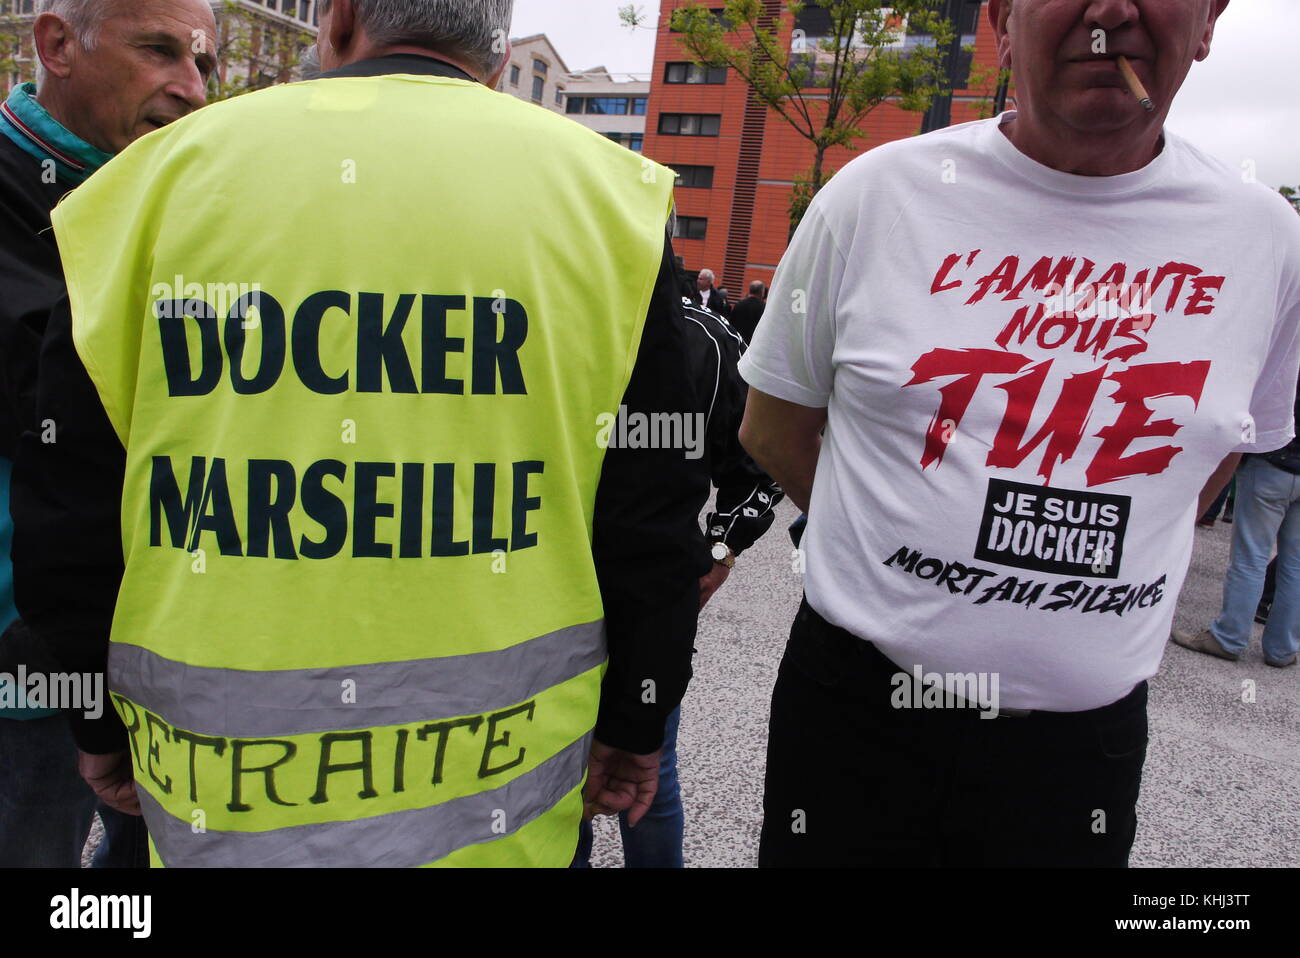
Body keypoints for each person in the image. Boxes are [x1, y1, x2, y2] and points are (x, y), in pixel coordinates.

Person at [11, 0, 708, 867]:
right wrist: (639, 724)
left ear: (337, 21)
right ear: (494, 60)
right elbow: (653, 516)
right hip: (499, 813)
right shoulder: (612, 202)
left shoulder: (146, 185)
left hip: (221, 810)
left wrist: (97, 723)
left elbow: (68, 509)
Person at [738, 0, 1300, 867]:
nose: (1112, 12)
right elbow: (775, 425)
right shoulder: (875, 194)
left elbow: (1222, 447)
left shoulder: (1269, 241)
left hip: (1081, 756)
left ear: (1211, 19)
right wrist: (892, 537)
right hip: (856, 718)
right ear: (1001, 17)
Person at [0, 0, 217, 868]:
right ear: (57, 44)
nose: (192, 89)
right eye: (160, 52)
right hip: (27, 666)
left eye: (202, 59)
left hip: (155, 647)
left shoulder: (161, 191)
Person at [574, 295, 784, 867]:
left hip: (648, 601)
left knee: (648, 766)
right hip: (548, 597)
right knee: (554, 776)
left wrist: (720, 550)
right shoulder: (554, 308)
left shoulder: (706, 340)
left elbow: (761, 460)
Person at [1173, 371, 1300, 668]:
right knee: (1295, 564)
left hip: (1272, 464)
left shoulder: (1289, 356)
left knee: (1251, 556)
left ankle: (1229, 637)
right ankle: (1283, 648)